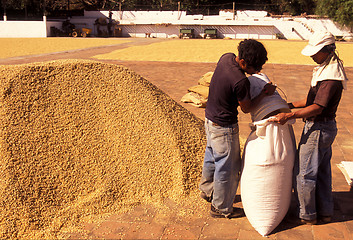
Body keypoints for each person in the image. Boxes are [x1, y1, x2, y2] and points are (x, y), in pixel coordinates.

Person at [269, 31, 348, 224]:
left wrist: (289, 115)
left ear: (327, 50)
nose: (313, 56)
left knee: (304, 172)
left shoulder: (330, 78)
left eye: (316, 52)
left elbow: (317, 107)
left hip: (318, 128)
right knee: (321, 171)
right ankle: (325, 211)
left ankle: (307, 214)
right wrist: (289, 105)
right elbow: (311, 100)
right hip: (326, 128)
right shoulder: (328, 68)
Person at [199, 39, 276, 218]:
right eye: (254, 68)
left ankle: (208, 191)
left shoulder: (226, 58)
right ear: (242, 62)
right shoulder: (240, 81)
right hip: (224, 128)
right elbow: (246, 107)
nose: (257, 72)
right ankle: (221, 207)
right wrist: (265, 92)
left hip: (210, 119)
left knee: (211, 157)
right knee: (228, 168)